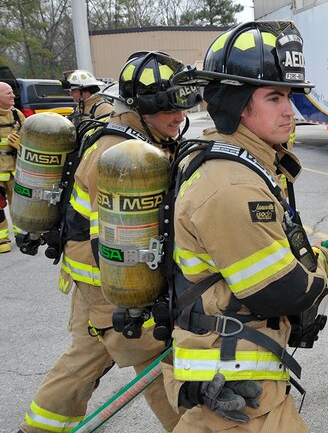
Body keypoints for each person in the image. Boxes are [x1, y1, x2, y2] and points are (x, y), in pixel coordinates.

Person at [162, 21, 328, 432]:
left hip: (233, 370)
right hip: (236, 382)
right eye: (274, 97)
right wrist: (323, 257)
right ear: (238, 104)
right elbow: (285, 291)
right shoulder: (231, 184)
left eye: (289, 96)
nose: (289, 111)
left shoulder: (244, 162)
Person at [19, 51, 202, 433]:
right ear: (141, 107)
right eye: (169, 109)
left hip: (97, 278)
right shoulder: (119, 156)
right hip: (110, 281)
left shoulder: (140, 136)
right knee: (160, 359)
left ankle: (38, 429)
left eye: (183, 107)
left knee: (83, 362)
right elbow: (121, 239)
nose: (179, 117)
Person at [0, 81, 24, 253]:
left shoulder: (17, 115)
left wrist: (20, 144)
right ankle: (1, 239)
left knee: (19, 205)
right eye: (8, 93)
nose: (13, 95)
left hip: (15, 169)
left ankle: (22, 235)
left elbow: (31, 137)